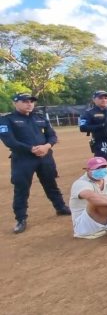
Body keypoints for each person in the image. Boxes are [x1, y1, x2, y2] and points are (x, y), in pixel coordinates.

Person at [0, 93, 71, 234]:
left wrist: (47, 146)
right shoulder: (7, 119)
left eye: (31, 101)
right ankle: (21, 219)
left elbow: (52, 135)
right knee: (21, 188)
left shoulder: (39, 117)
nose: (29, 104)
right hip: (23, 159)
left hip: (45, 156)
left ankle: (60, 207)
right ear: (15, 103)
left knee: (51, 184)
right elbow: (9, 140)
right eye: (25, 101)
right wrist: (31, 149)